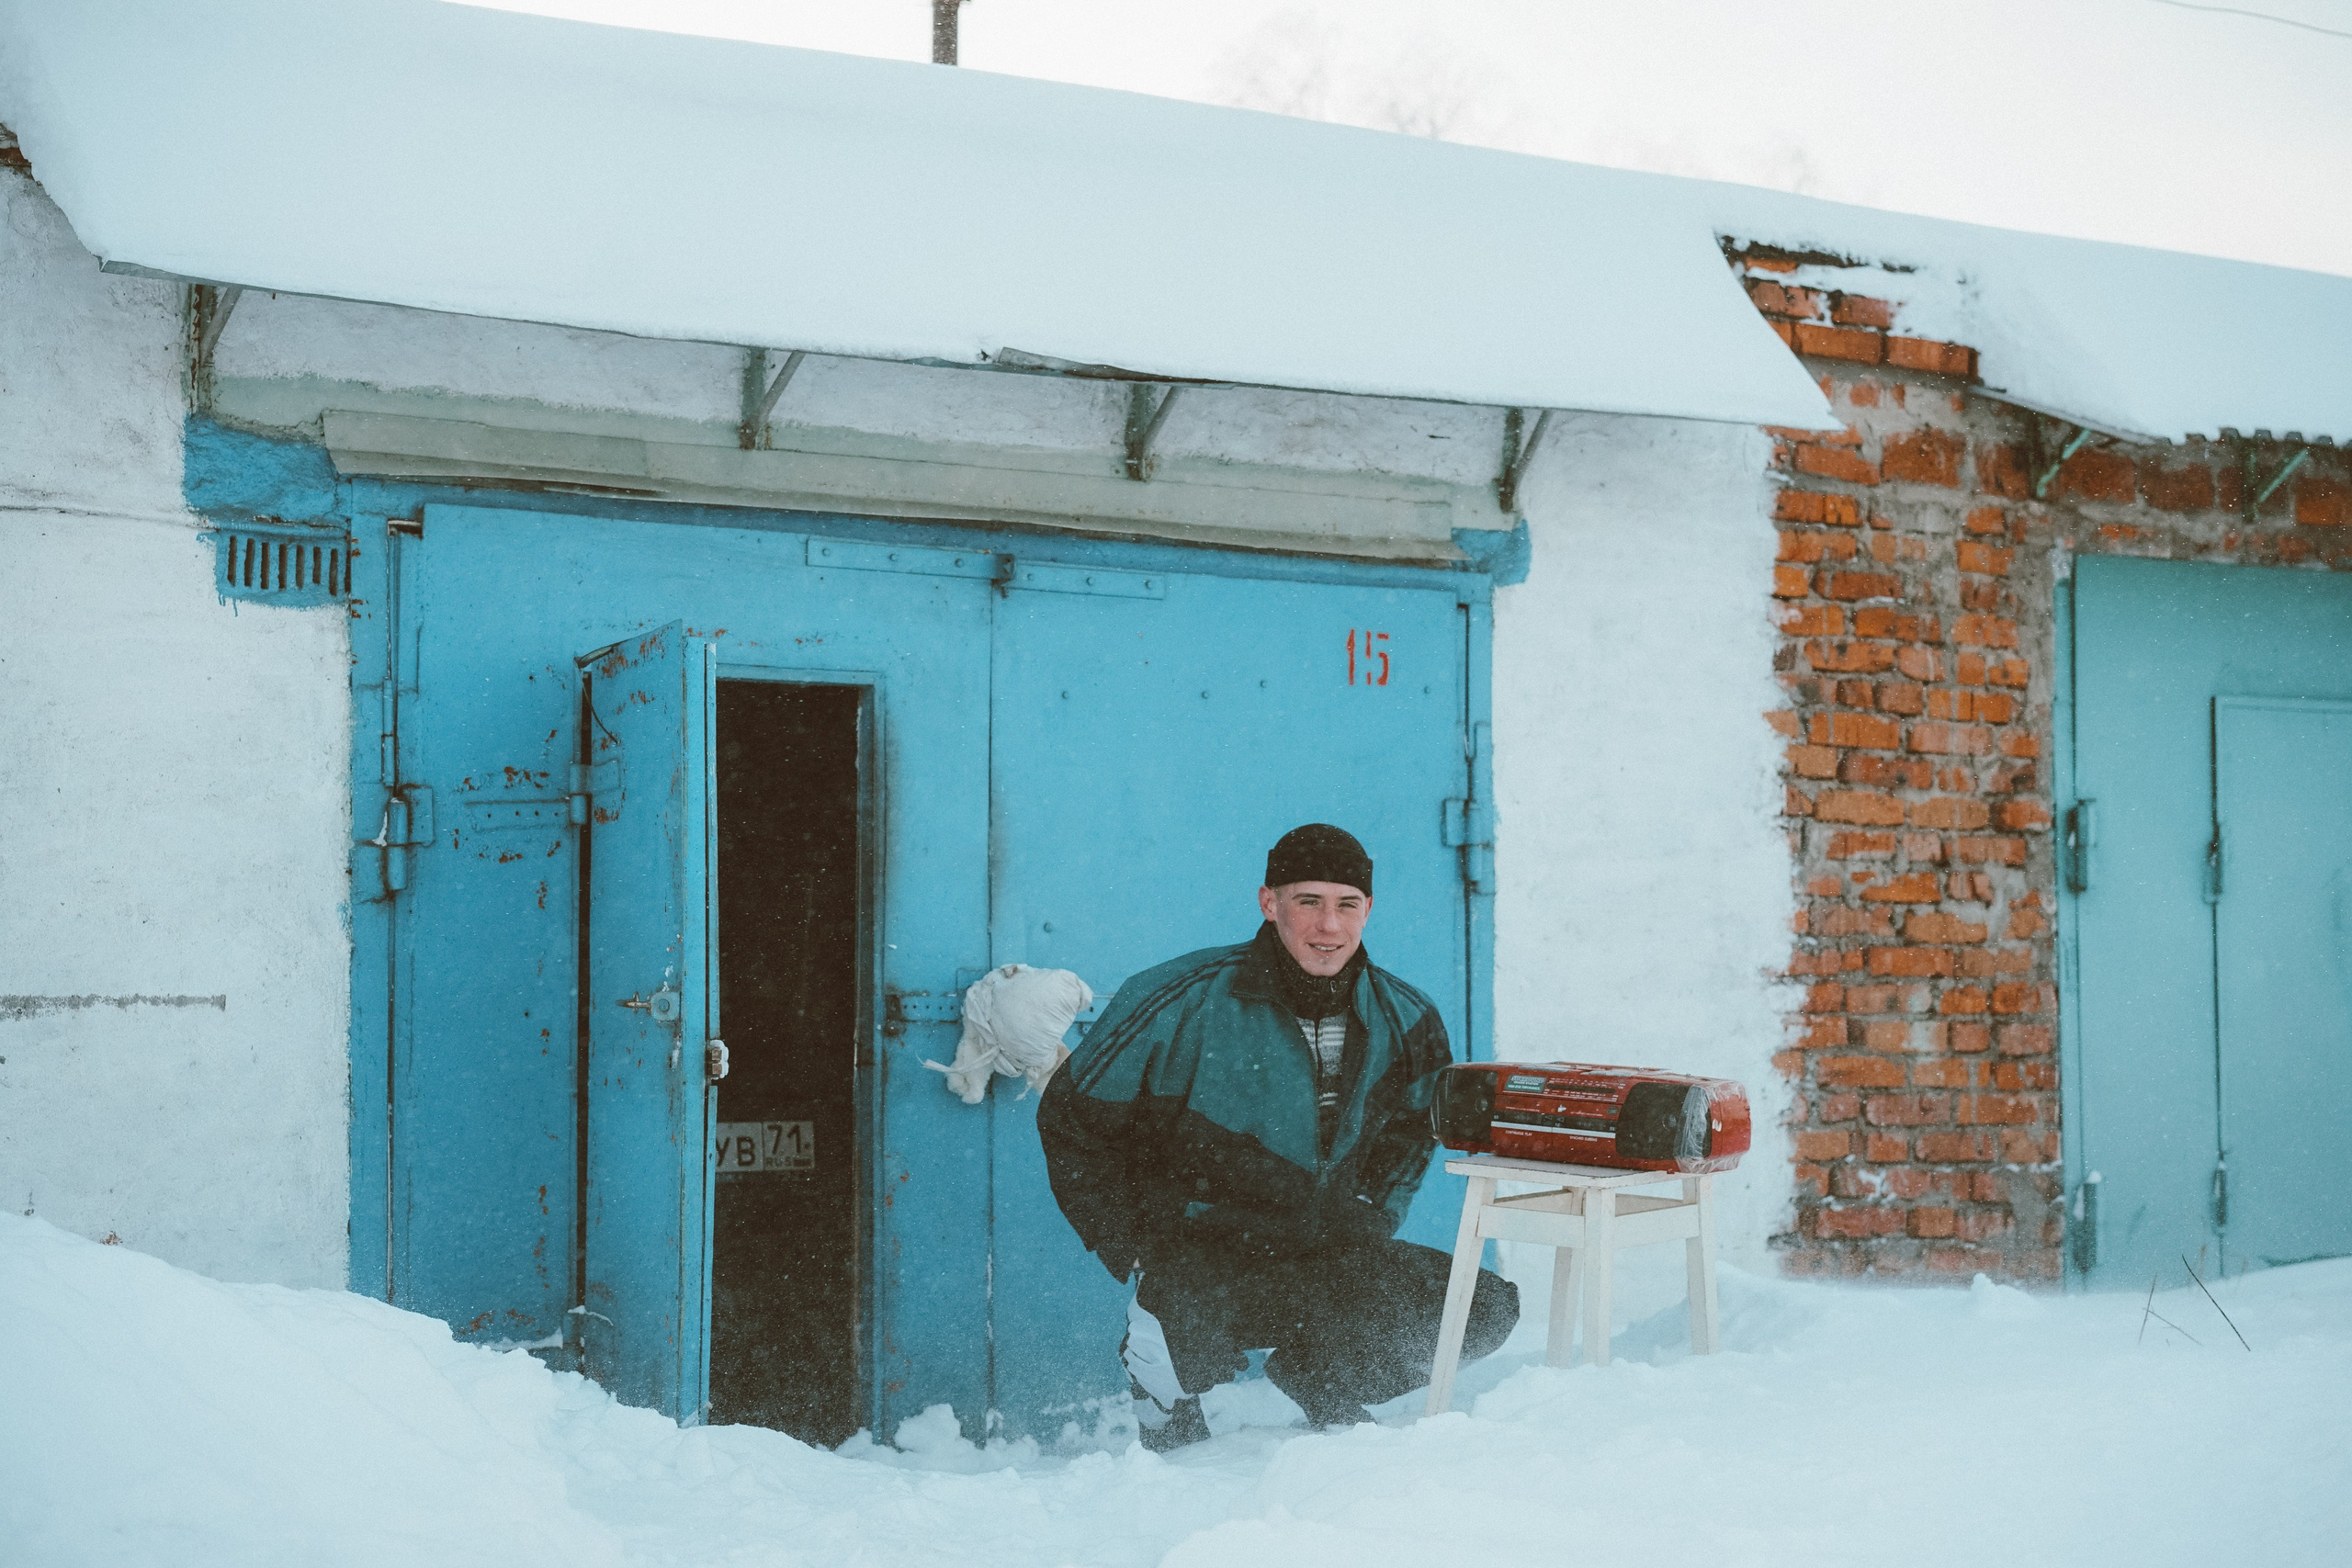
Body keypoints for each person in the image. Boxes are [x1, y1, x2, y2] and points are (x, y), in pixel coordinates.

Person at [1037, 823, 1519, 1450]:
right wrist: (1130, 1243)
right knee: (1171, 1343)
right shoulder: (1179, 999)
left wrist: (1372, 1215)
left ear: (1368, 910)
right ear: (1270, 903)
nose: (1329, 926)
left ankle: (1320, 1372)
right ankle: (1166, 1402)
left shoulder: (1408, 1015)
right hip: (1206, 1254)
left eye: (1347, 904)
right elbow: (1073, 1118)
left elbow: (1410, 1131)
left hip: (1326, 1250)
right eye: (1308, 901)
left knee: (1479, 1310)